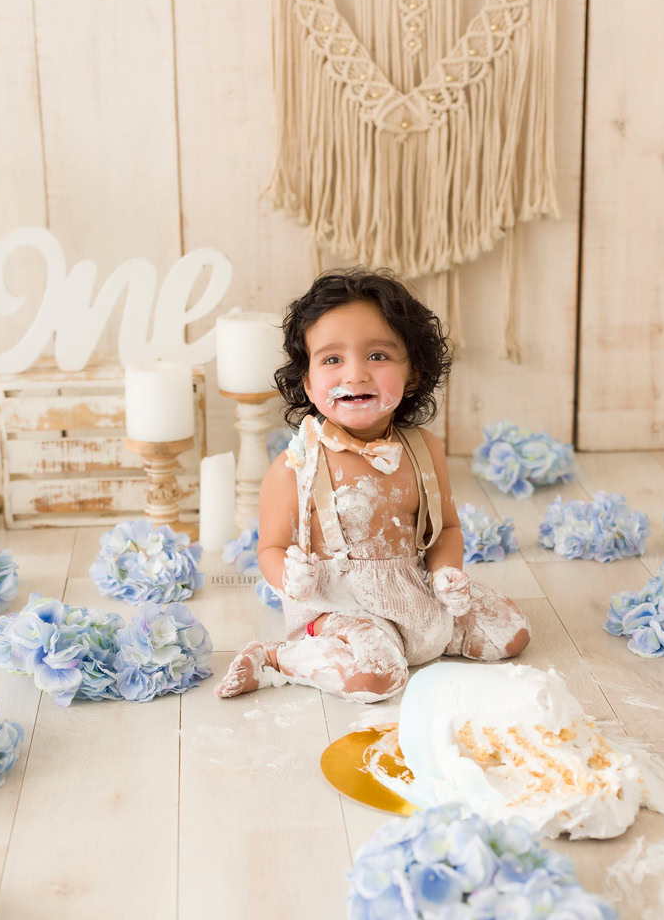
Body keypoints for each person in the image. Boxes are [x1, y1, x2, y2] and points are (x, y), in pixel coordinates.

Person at [215, 269, 530, 703]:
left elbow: (447, 530)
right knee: (375, 677)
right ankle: (277, 657)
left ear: (413, 373)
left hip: (413, 586)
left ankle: (417, 636)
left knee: (509, 633)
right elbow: (269, 548)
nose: (356, 373)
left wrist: (445, 575)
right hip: (340, 604)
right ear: (308, 383)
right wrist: (291, 578)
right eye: (332, 360)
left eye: (378, 356)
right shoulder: (296, 466)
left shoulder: (424, 449)